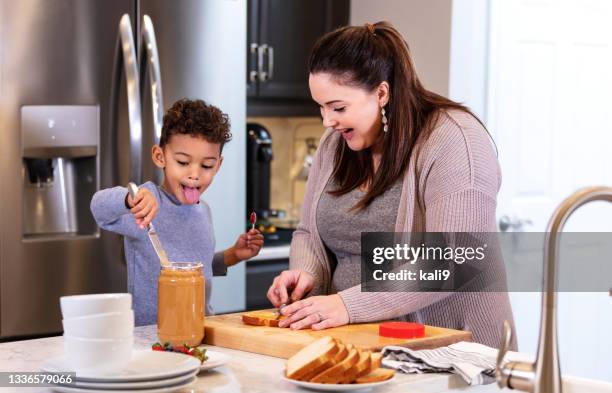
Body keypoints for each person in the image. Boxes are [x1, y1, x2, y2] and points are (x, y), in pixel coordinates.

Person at [267, 21, 516, 349]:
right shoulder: (335, 145)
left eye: (338, 107)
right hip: (358, 345)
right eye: (322, 107)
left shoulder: (455, 140)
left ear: (381, 93)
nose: (327, 121)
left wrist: (347, 305)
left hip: (451, 355)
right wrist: (305, 274)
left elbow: (455, 259)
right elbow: (309, 233)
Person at [91, 98, 264, 326]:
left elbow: (196, 265)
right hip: (153, 336)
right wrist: (128, 198)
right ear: (160, 157)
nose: (195, 174)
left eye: (206, 166)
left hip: (200, 328)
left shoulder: (204, 211)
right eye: (183, 162)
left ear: (218, 165)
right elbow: (98, 207)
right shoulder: (146, 203)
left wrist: (233, 255)